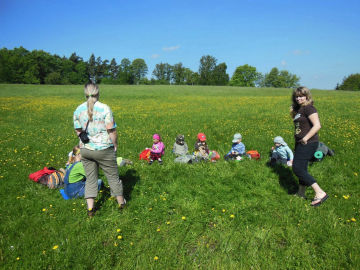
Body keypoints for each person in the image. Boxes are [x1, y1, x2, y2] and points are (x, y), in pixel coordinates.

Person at [73, 83, 125, 217]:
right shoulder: (105, 108)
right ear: (98, 93)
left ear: (85, 94)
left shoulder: (78, 110)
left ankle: (90, 209)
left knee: (90, 179)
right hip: (104, 149)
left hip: (85, 150)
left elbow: (78, 130)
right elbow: (111, 130)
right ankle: (122, 204)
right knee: (113, 178)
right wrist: (115, 144)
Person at [291, 86, 328, 206]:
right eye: (297, 96)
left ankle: (319, 192)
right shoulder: (300, 110)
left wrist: (305, 138)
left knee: (297, 168)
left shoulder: (309, 108)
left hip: (309, 142)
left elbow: (317, 125)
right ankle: (301, 193)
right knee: (302, 167)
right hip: (300, 143)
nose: (299, 98)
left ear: (307, 96)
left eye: (301, 96)